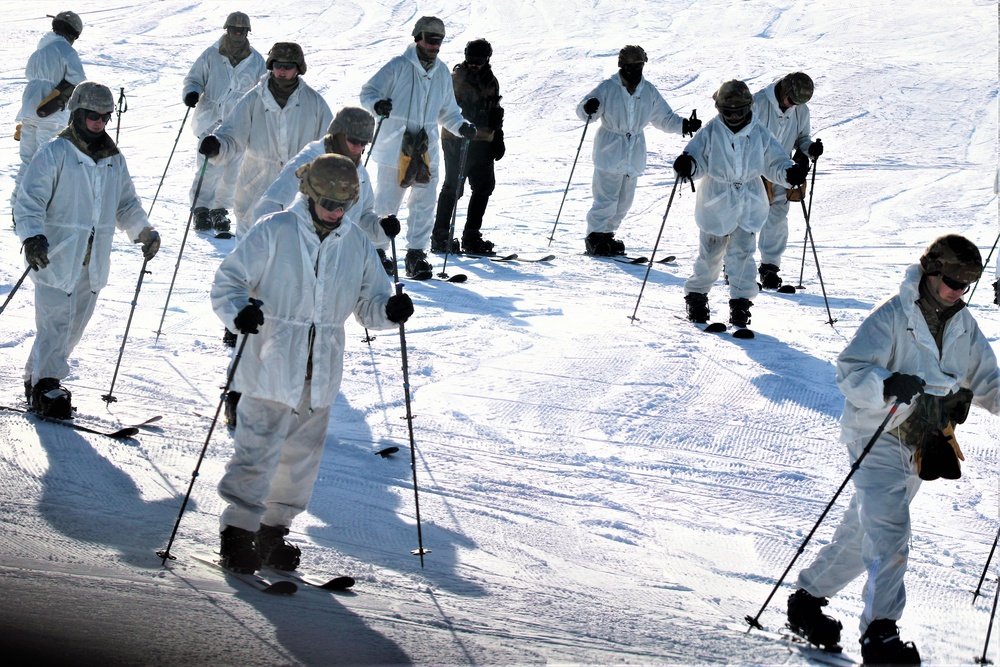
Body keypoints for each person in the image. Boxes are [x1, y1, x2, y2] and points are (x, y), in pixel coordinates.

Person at [786, 234, 1000, 665]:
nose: (960, 290)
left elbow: (988, 382)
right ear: (932, 270)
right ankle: (880, 632)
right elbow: (849, 371)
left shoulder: (963, 323)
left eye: (968, 282)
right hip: (879, 433)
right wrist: (885, 385)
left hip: (924, 443)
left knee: (862, 532)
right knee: (891, 531)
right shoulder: (892, 315)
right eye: (954, 279)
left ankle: (808, 598)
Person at [210, 154, 413, 573]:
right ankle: (237, 531)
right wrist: (238, 312)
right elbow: (228, 282)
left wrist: (390, 311)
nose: (335, 213)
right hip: (269, 359)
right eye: (328, 205)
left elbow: (369, 303)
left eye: (342, 206)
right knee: (257, 450)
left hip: (319, 369)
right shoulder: (275, 230)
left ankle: (273, 529)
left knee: (300, 458)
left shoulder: (355, 242)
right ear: (310, 195)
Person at [13, 81, 161, 418]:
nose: (99, 122)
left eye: (105, 117)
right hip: (55, 255)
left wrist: (143, 231)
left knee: (73, 327)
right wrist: (32, 236)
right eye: (93, 115)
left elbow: (126, 204)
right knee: (55, 324)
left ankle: (35, 378)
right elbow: (28, 200)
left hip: (93, 261)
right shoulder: (55, 152)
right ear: (78, 113)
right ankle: (47, 385)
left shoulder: (113, 160)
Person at [674, 79, 803, 329]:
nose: (734, 116)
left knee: (743, 255)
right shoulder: (711, 132)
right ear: (719, 109)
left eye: (739, 111)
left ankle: (741, 303)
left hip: (750, 200)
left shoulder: (759, 132)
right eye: (728, 111)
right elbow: (696, 159)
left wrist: (789, 173)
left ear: (749, 107)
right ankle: (697, 296)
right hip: (716, 201)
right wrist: (687, 165)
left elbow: (775, 161)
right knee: (710, 253)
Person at [359, 15, 476, 279]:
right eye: (430, 40)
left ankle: (416, 254)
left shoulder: (443, 72)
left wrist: (462, 126)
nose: (434, 46)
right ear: (418, 37)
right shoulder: (398, 66)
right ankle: (377, 252)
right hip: (395, 148)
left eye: (439, 41)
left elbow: (449, 112)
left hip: (425, 150)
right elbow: (368, 92)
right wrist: (377, 105)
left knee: (424, 203)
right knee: (387, 202)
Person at [199, 42, 332, 240]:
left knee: (295, 251)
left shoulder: (314, 103)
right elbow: (232, 135)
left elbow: (328, 144)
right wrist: (217, 145)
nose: (282, 70)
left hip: (300, 188)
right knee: (251, 251)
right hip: (256, 186)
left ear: (298, 68)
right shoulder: (253, 99)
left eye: (288, 66)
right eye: (278, 65)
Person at [577, 45, 700, 257]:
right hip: (610, 149)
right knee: (606, 199)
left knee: (625, 200)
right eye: (631, 67)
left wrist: (684, 125)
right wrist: (588, 107)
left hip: (633, 151)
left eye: (639, 66)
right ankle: (595, 236)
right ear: (622, 67)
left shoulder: (648, 91)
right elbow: (585, 110)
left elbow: (664, 117)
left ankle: (607, 235)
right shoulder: (607, 88)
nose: (635, 71)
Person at [253, 106, 400, 275]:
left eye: (364, 143)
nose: (358, 148)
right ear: (338, 134)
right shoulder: (309, 163)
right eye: (354, 140)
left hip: (335, 266)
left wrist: (381, 228)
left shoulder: (359, 172)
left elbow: (362, 216)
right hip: (297, 264)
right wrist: (272, 254)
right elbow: (269, 206)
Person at [181, 11, 266, 234]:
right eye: (233, 30)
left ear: (247, 32)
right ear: (226, 30)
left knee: (233, 170)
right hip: (210, 119)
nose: (237, 34)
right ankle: (201, 208)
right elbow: (194, 78)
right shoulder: (211, 55)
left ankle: (219, 210)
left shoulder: (256, 61)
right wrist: (192, 92)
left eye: (241, 30)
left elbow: (264, 91)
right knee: (208, 168)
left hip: (239, 124)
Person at [430, 38, 505, 256]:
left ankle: (471, 235)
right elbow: (444, 110)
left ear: (487, 59)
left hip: (484, 139)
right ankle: (441, 235)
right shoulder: (455, 79)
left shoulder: (492, 81)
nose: (474, 63)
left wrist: (498, 136)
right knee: (454, 187)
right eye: (471, 58)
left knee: (484, 186)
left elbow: (495, 110)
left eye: (479, 59)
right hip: (457, 139)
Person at [11, 11, 86, 218]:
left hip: (28, 113)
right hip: (51, 116)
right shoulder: (66, 51)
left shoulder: (38, 52)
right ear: (73, 33)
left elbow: (30, 77)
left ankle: (19, 208)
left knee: (28, 162)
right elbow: (78, 82)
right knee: (48, 164)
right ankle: (42, 213)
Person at [752, 72, 824, 289]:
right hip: (753, 170)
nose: (793, 105)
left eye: (798, 103)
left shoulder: (800, 110)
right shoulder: (758, 103)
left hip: (783, 171)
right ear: (784, 90)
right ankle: (734, 265)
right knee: (745, 218)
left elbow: (801, 138)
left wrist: (809, 149)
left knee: (777, 218)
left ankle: (770, 267)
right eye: (791, 100)